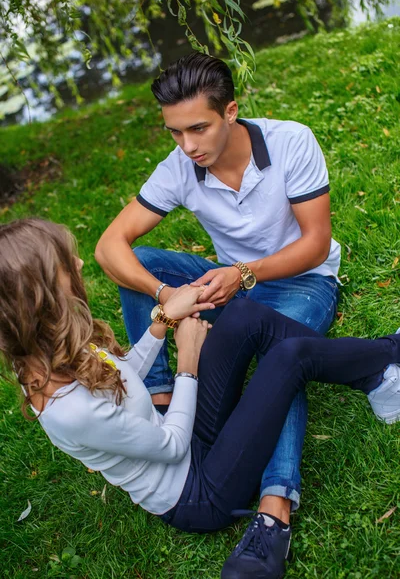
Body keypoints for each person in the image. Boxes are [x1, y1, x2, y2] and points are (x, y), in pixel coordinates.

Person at [1, 219, 399, 579]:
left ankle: (373, 369)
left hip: (188, 439)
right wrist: (186, 361)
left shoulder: (46, 350)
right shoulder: (67, 410)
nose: (81, 263)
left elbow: (121, 379)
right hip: (199, 491)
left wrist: (163, 322)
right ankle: (385, 356)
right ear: (41, 294)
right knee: (286, 358)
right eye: (66, 262)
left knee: (244, 317)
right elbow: (172, 448)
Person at [95, 52, 341, 570]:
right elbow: (110, 246)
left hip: (301, 282)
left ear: (231, 111)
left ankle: (274, 511)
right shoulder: (181, 165)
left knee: (283, 354)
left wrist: (245, 274)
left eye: (199, 129)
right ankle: (161, 402)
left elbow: (316, 244)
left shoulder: (291, 141)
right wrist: (165, 295)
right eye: (175, 133)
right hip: (232, 284)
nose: (188, 146)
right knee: (142, 262)